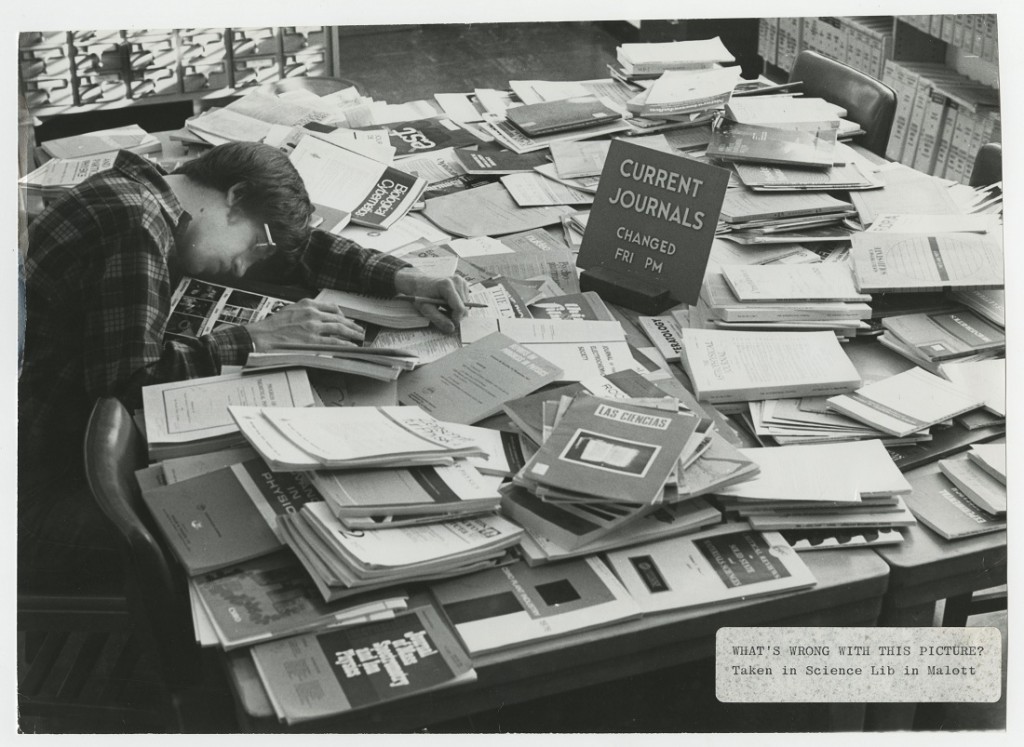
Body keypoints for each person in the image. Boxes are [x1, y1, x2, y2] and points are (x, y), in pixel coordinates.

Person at [18, 140, 468, 587]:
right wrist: (255, 337)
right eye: (255, 246)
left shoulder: (152, 193)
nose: (241, 269)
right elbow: (129, 384)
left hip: (61, 452)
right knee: (290, 537)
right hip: (45, 490)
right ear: (235, 196)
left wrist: (401, 277)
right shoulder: (133, 223)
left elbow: (301, 250)